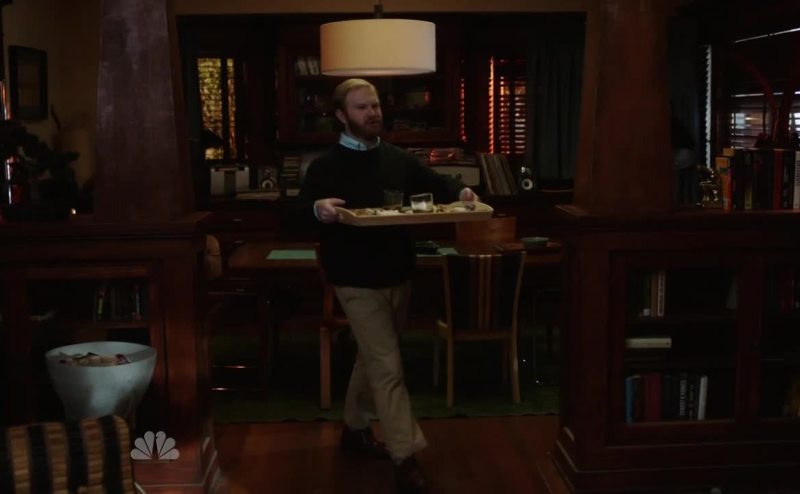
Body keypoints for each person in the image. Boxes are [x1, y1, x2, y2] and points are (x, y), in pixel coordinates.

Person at [298, 78, 477, 493]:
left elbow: (438, 184)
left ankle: (353, 428)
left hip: (399, 275)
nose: (372, 113)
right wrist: (317, 208)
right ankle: (405, 456)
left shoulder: (398, 159)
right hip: (354, 280)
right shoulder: (325, 168)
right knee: (387, 366)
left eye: (375, 105)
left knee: (373, 356)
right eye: (362, 107)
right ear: (341, 115)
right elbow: (292, 214)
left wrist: (463, 190)